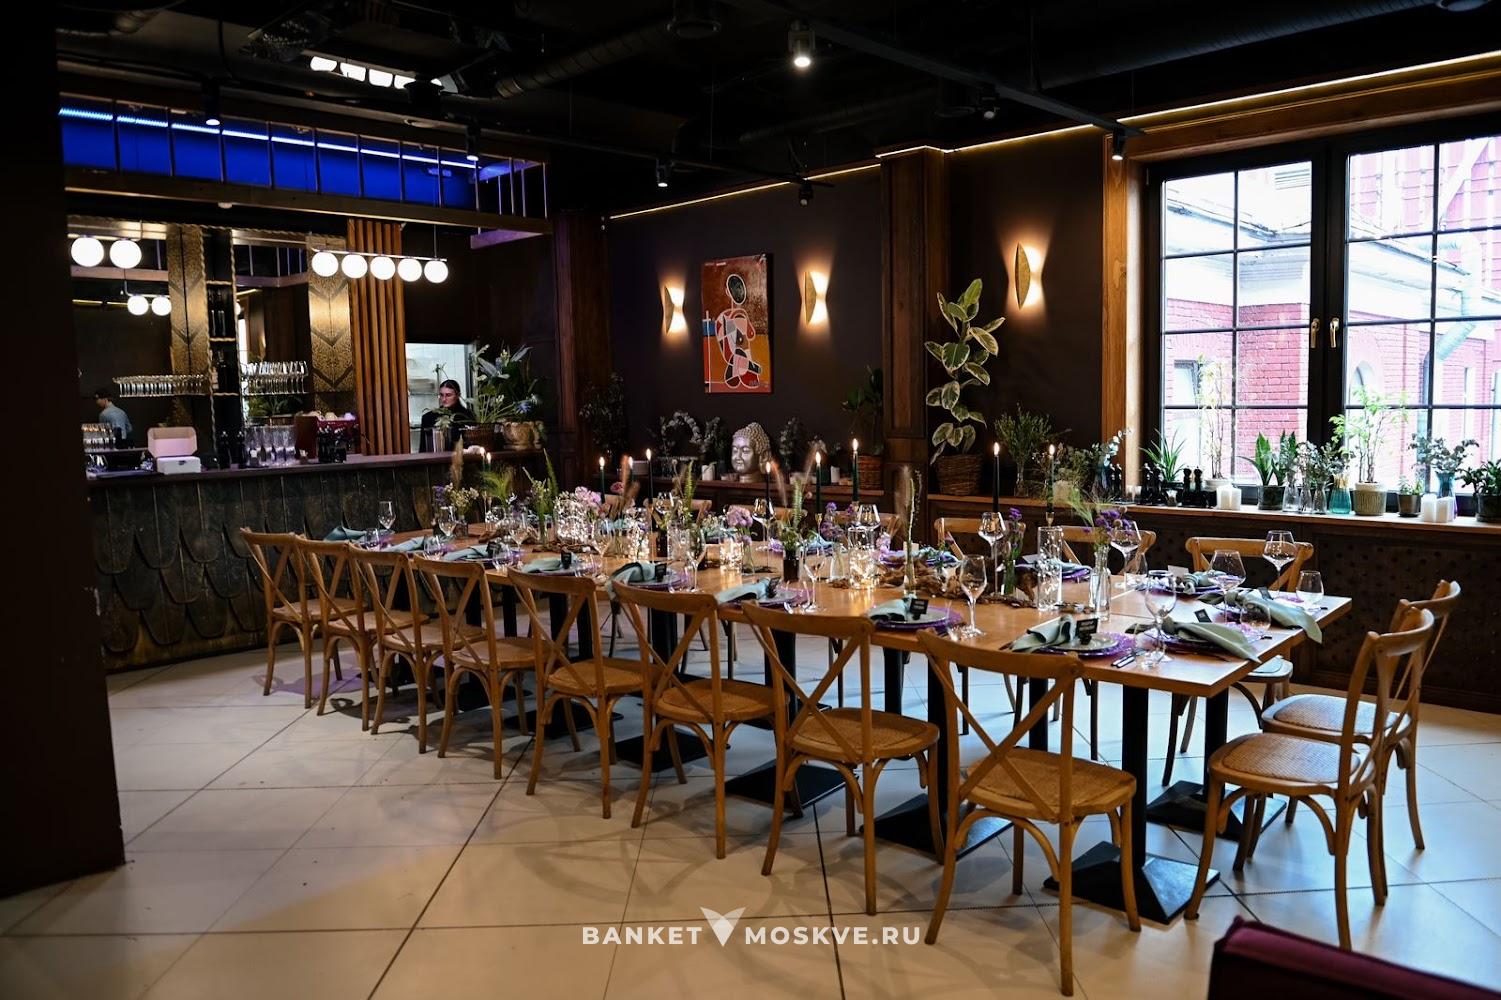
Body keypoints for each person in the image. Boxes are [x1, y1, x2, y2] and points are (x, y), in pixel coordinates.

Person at [419, 378, 475, 451]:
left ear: (458, 395)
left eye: (448, 395)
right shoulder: (428, 418)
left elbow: (472, 445)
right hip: (435, 457)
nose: (444, 399)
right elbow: (423, 448)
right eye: (441, 395)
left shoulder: (468, 416)